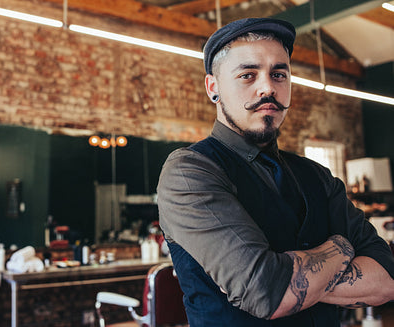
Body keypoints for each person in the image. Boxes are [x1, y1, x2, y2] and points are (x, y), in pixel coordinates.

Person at [157, 17, 394, 327]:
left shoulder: (317, 176)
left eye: (279, 74)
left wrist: (290, 277)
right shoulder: (190, 173)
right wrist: (342, 247)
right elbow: (266, 291)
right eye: (247, 75)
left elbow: (387, 277)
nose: (268, 87)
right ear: (213, 87)